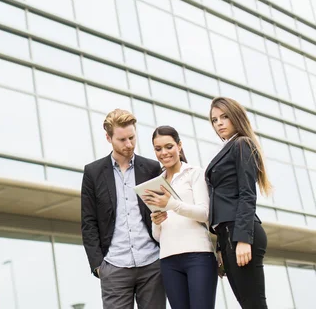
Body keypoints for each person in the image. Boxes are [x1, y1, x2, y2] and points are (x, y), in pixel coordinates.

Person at [81, 109, 165, 309]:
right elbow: (88, 221)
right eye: (122, 140)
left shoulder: (152, 168)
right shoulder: (93, 173)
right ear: (108, 137)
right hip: (113, 266)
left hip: (152, 264)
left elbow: (163, 210)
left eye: (132, 137)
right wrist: (99, 266)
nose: (129, 144)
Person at [142, 126, 217, 309]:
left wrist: (172, 204)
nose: (164, 153)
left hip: (198, 256)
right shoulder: (156, 183)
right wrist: (156, 222)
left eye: (169, 146)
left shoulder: (194, 173)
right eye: (158, 149)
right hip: (168, 259)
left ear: (179, 146)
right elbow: (158, 236)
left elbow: (204, 214)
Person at [206, 97, 272, 308]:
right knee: (247, 304)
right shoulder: (228, 148)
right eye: (215, 120)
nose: (219, 123)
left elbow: (247, 194)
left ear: (236, 117)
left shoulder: (242, 144)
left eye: (224, 117)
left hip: (242, 232)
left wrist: (243, 239)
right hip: (228, 236)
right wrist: (220, 247)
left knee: (254, 304)